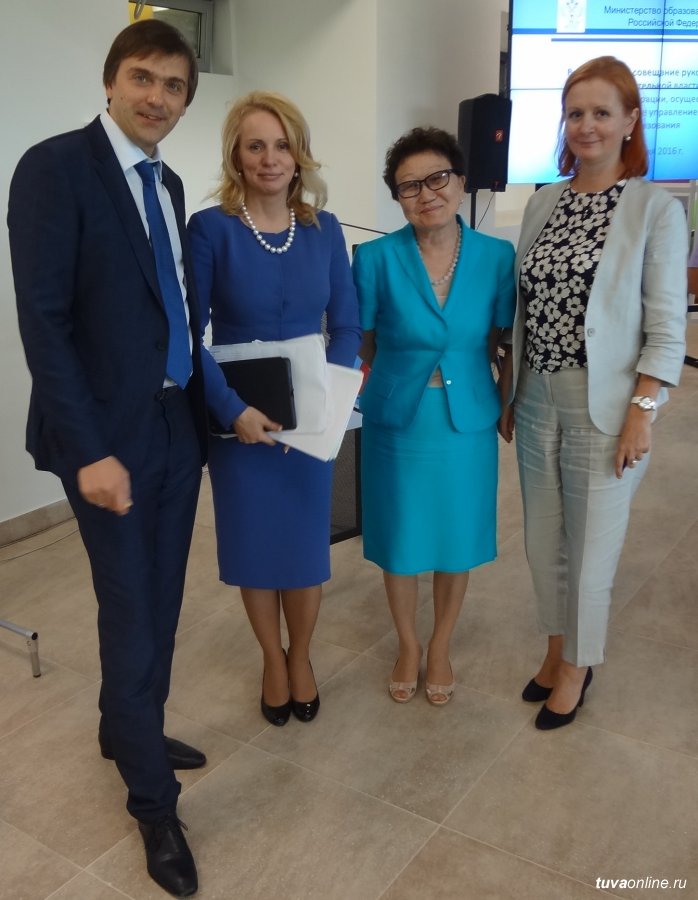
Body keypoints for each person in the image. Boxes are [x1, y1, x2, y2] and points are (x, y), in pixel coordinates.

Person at [8, 20, 208, 898]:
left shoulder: (169, 185)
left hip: (173, 426)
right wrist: (89, 451)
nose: (157, 97)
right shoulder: (54, 167)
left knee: (160, 601)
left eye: (174, 85)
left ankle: (124, 727)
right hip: (105, 443)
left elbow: (170, 308)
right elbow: (43, 322)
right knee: (132, 612)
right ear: (111, 81)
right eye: (143, 77)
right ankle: (153, 805)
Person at [499, 56, 687, 731]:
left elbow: (666, 326)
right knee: (543, 541)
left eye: (602, 112)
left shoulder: (654, 210)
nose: (587, 125)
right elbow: (522, 306)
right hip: (536, 396)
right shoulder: (543, 202)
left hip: (604, 405)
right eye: (575, 113)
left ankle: (579, 668)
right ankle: (556, 650)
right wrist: (510, 388)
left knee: (590, 551)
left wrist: (643, 411)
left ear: (630, 120)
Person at [187, 92, 361, 727]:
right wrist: (231, 409)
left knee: (305, 549)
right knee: (256, 551)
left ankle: (303, 656)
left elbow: (347, 325)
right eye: (255, 145)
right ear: (236, 155)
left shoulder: (324, 229)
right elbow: (188, 334)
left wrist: (324, 402)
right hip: (240, 423)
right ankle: (271, 659)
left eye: (282, 145)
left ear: (299, 154)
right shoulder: (210, 229)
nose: (269, 158)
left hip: (310, 421)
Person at [352, 127, 516, 706]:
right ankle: (407, 643)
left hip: (466, 418)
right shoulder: (374, 258)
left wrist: (505, 401)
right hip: (398, 419)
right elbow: (364, 339)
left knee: (455, 536)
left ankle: (441, 644)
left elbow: (502, 338)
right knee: (400, 536)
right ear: (397, 198)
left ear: (460, 180)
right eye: (409, 186)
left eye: (438, 178)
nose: (426, 194)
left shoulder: (497, 257)